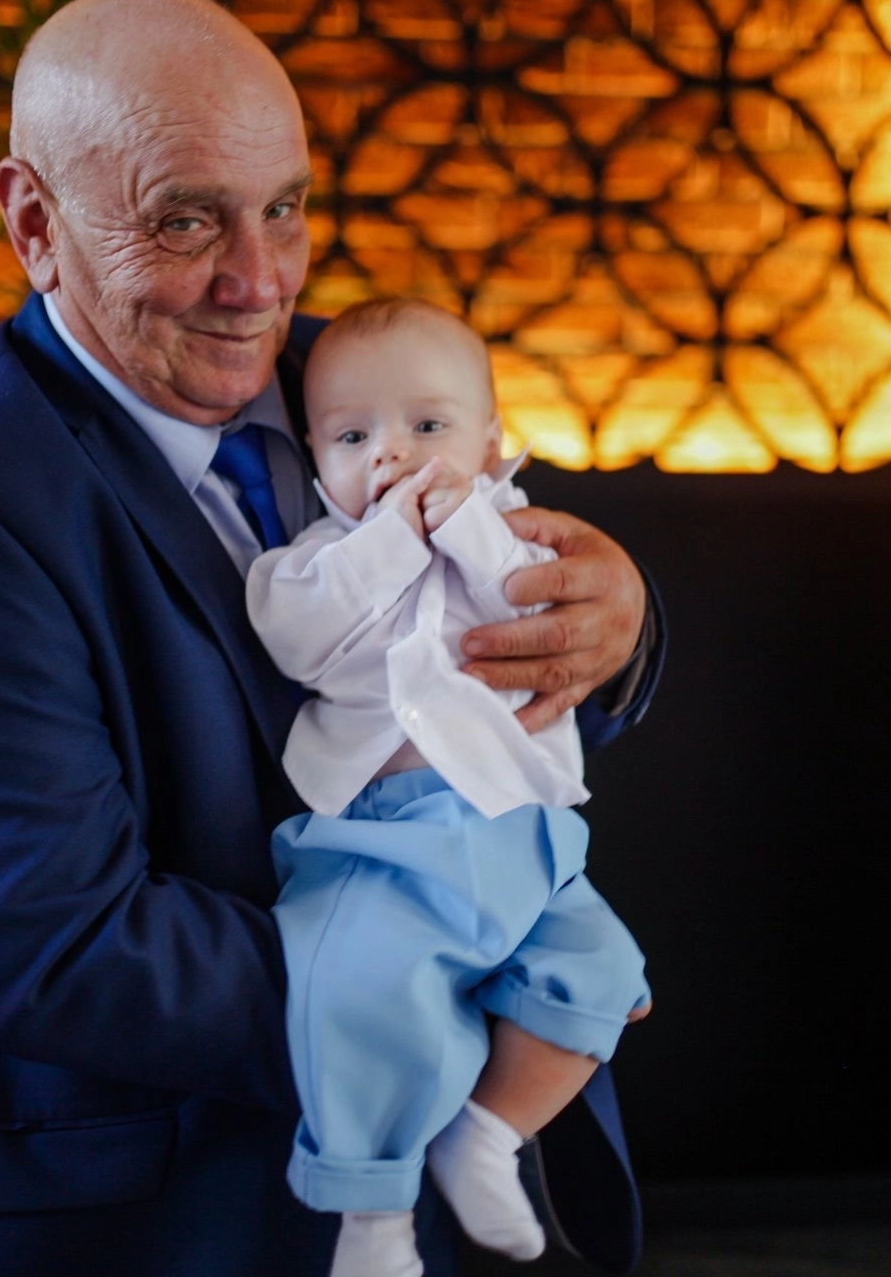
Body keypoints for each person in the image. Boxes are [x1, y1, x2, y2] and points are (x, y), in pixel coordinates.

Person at [0, 0, 662, 1272]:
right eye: (185, 220)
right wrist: (446, 980)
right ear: (35, 223)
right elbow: (46, 944)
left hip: (465, 1180)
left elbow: (506, 612)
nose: (259, 281)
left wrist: (621, 619)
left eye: (284, 208)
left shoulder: (367, 381)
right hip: (159, 1219)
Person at [248, 299, 652, 1277]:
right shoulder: (316, 562)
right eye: (353, 437)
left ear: (492, 440)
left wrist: (466, 523)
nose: (392, 453)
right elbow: (297, 637)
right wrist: (389, 537)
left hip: (522, 832)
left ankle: (489, 1130)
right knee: (366, 997)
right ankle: (371, 1213)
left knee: (601, 971)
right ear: (316, 459)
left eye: (428, 426)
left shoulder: (517, 536)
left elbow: (531, 594)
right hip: (384, 834)